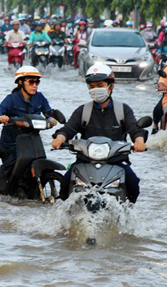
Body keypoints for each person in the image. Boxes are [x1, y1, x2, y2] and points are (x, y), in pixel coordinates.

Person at [51, 64, 146, 203]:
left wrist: (139, 142)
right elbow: (68, 129)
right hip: (85, 160)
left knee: (133, 183)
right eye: (92, 86)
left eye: (100, 85)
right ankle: (64, 216)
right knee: (65, 183)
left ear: (110, 86)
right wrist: (59, 139)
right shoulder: (83, 110)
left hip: (116, 161)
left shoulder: (123, 110)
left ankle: (127, 214)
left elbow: (135, 129)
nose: (96, 89)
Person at [0, 66, 56, 175]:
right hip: (12, 143)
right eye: (31, 82)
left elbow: (49, 112)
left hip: (32, 141)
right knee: (10, 170)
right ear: (21, 82)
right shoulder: (11, 98)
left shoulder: (40, 97)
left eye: (37, 82)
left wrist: (52, 119)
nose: (34, 85)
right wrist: (0, 117)